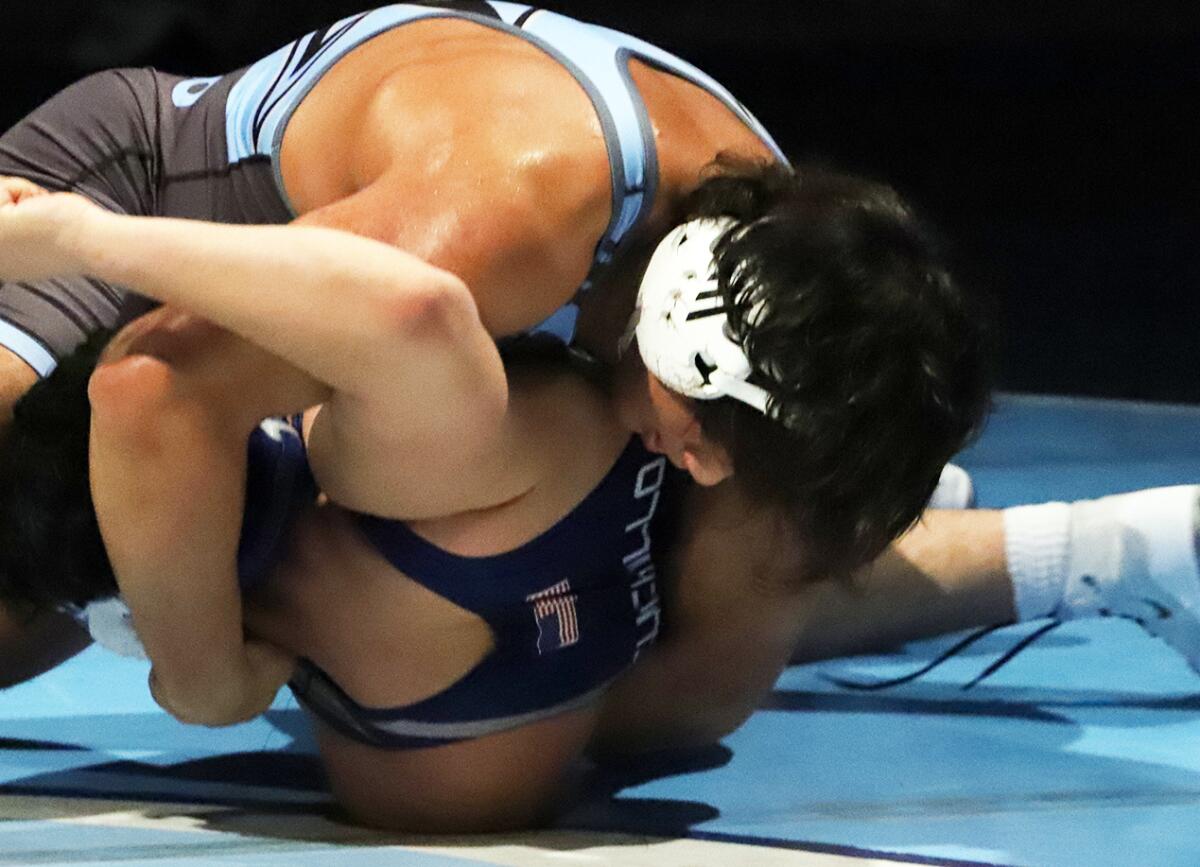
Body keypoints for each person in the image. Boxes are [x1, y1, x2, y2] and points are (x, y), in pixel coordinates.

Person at [0, 186, 687, 832]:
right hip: (562, 515)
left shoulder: (414, 782)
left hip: (443, 735)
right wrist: (86, 239)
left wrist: (202, 677)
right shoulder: (395, 451)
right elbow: (414, 314)